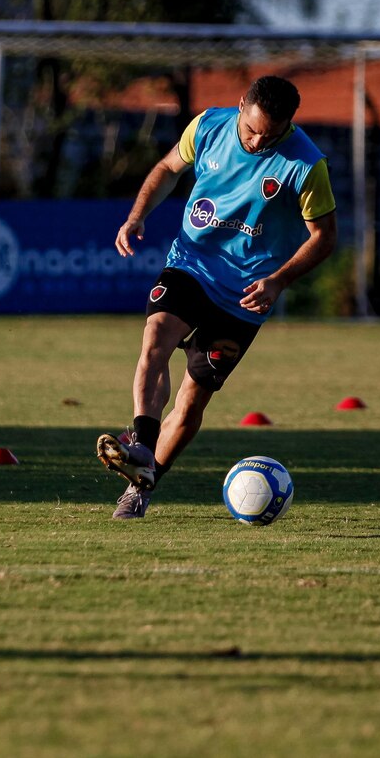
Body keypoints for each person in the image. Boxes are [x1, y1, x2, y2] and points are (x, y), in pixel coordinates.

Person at [95, 75, 337, 519]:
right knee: (156, 338)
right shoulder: (207, 125)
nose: (259, 140)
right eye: (251, 129)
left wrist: (279, 281)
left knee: (191, 401)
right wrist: (137, 216)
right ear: (241, 104)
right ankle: (143, 448)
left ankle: (143, 486)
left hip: (246, 293)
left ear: (289, 124)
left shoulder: (306, 164)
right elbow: (169, 168)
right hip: (192, 264)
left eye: (272, 134)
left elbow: (323, 237)